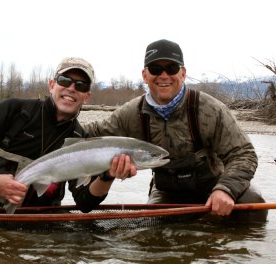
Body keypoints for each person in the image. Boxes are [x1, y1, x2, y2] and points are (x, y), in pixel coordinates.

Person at [83, 39, 267, 221]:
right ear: (145, 75)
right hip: (167, 193)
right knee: (154, 229)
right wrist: (59, 116)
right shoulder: (131, 113)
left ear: (183, 73)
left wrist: (225, 189)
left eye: (171, 68)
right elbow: (88, 134)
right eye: (155, 69)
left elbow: (244, 154)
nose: (164, 75)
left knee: (253, 207)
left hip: (213, 185)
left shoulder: (210, 109)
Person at [0, 57, 136, 212]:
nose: (71, 88)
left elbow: (85, 203)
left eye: (81, 85)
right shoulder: (12, 111)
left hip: (38, 230)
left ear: (87, 96)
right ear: (51, 85)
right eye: (64, 81)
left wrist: (107, 176)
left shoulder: (80, 141)